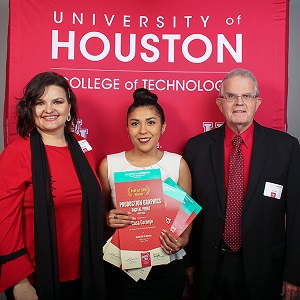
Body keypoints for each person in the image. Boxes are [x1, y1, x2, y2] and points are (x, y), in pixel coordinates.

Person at [184, 68, 300, 300]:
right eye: (231, 96)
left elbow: (297, 215)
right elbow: (189, 209)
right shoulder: (196, 148)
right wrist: (190, 261)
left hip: (267, 268)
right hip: (210, 267)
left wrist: (294, 272)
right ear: (220, 103)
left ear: (257, 102)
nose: (239, 102)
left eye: (247, 96)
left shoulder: (286, 148)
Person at [0, 72, 106, 300]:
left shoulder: (83, 148)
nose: (50, 109)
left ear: (69, 107)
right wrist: (20, 281)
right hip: (36, 279)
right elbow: (4, 221)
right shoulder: (17, 154)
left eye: (57, 101)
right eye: (40, 102)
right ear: (30, 109)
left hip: (86, 273)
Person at [98, 88, 192, 300]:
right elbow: (102, 209)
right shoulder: (110, 165)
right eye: (135, 123)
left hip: (166, 266)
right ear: (127, 128)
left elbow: (186, 213)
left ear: (163, 127)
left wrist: (183, 239)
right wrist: (107, 217)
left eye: (151, 122)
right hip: (122, 268)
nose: (142, 130)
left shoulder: (177, 164)